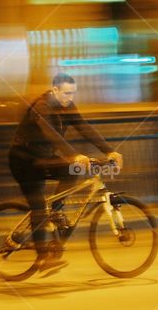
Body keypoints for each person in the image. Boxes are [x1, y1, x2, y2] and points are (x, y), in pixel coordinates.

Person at [9, 73, 123, 274]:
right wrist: (74, 155)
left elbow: (84, 127)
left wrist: (109, 150)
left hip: (42, 159)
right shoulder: (41, 106)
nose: (70, 97)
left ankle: (57, 210)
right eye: (66, 93)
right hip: (23, 161)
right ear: (55, 90)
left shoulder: (67, 106)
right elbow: (50, 134)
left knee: (73, 171)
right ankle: (43, 259)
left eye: (73, 93)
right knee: (38, 206)